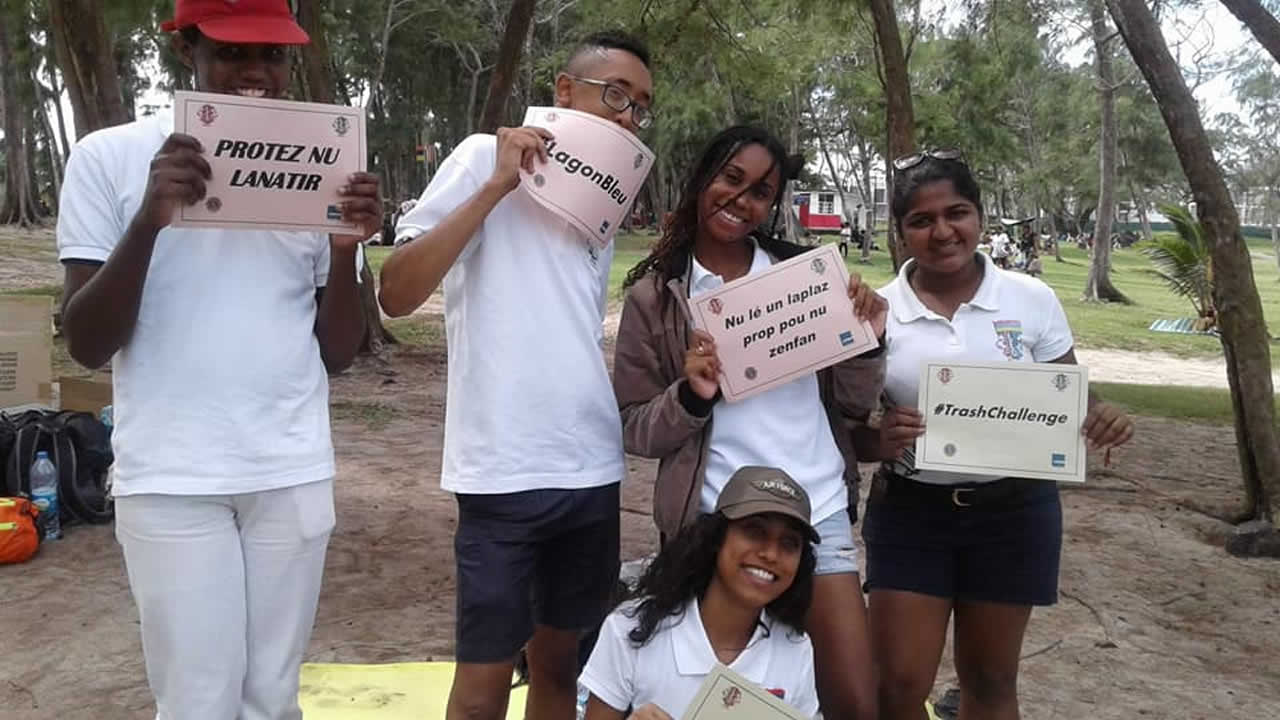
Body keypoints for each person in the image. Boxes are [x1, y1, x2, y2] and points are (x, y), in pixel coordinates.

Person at [55, 1, 381, 717]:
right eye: (232, 52)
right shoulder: (109, 156)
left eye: (273, 54)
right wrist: (151, 220)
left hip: (290, 469)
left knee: (272, 697)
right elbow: (86, 343)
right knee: (197, 700)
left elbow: (337, 353)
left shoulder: (320, 158)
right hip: (172, 476)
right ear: (186, 51)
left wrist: (344, 251)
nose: (255, 71)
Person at [377, 31, 654, 720]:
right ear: (564, 91)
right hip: (501, 470)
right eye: (615, 94)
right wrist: (499, 185)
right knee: (484, 683)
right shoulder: (482, 157)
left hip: (591, 468)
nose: (627, 115)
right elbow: (397, 292)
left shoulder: (604, 198)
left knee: (560, 666)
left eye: (641, 106)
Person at [850, 149, 1135, 720]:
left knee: (990, 680)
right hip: (911, 514)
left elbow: (1068, 393)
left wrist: (1103, 414)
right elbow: (849, 430)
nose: (942, 231)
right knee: (898, 686)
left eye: (956, 212)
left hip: (1014, 514)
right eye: (921, 220)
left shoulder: (1031, 298)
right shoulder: (878, 312)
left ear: (979, 215)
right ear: (900, 232)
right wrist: (878, 441)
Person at [612, 125, 884, 720]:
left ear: (773, 203)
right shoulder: (656, 299)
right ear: (703, 178)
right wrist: (692, 396)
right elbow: (634, 426)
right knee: (712, 699)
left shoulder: (806, 277)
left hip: (815, 509)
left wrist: (868, 341)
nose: (741, 199)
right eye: (731, 178)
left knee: (854, 702)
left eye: (761, 191)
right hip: (713, 519)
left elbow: (852, 406)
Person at [580, 466, 821, 720]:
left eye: (789, 543)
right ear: (717, 538)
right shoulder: (631, 628)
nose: (770, 554)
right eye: (754, 532)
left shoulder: (796, 648)